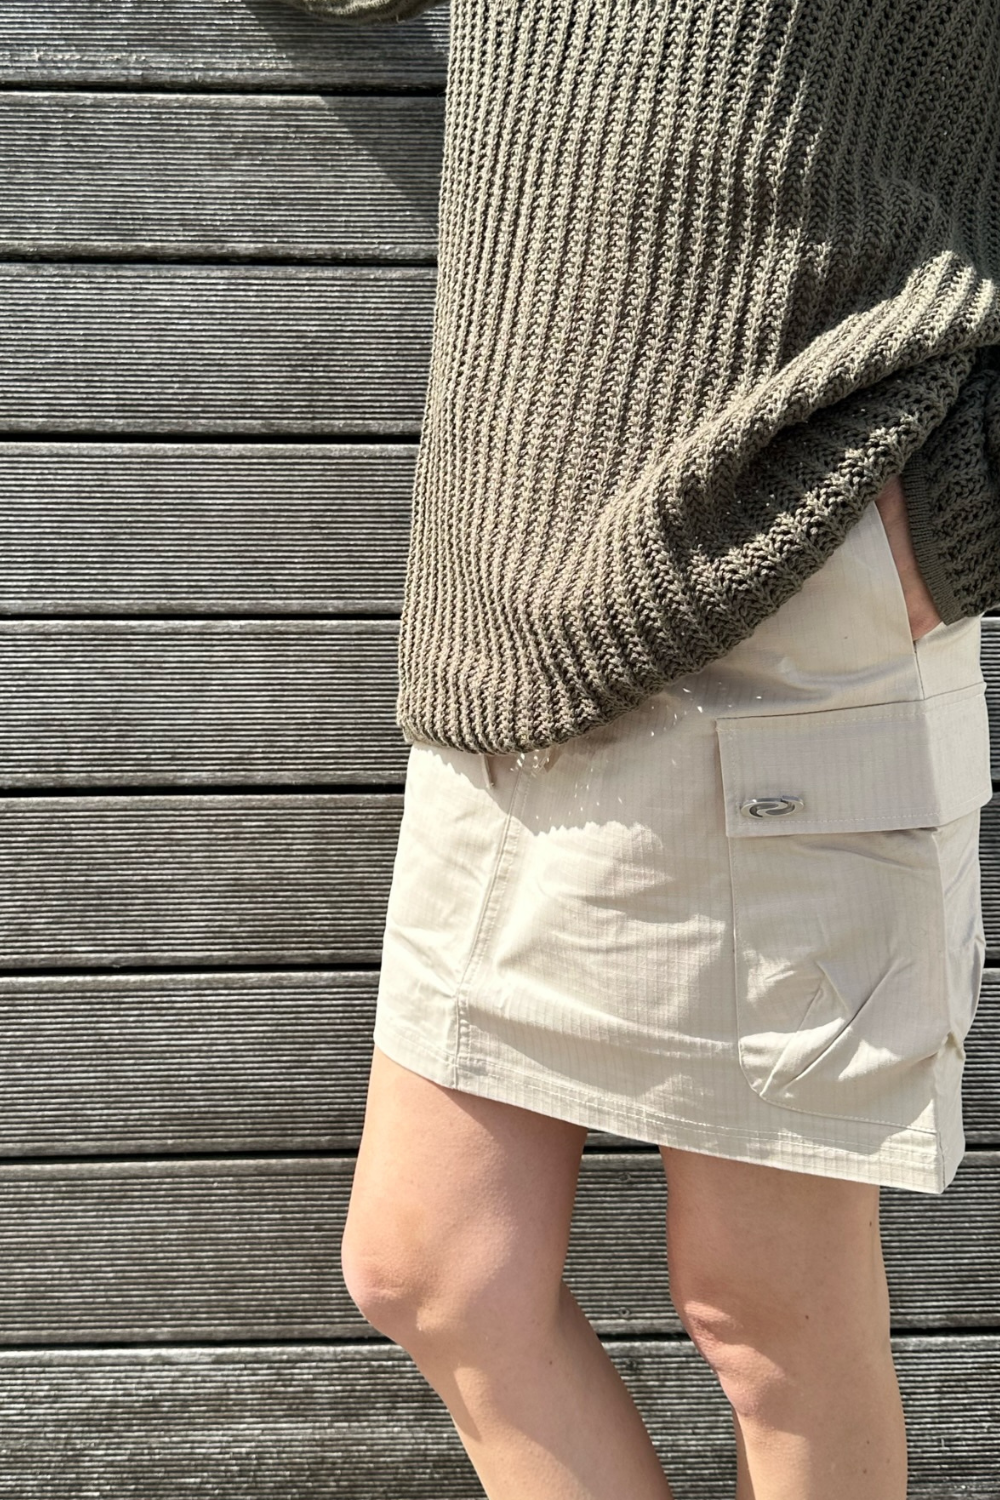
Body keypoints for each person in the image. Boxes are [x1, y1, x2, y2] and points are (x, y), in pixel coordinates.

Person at [276, 1, 999, 1494]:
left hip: (783, 587)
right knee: (435, 1268)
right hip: (509, 614)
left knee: (764, 1317)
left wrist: (955, 520)